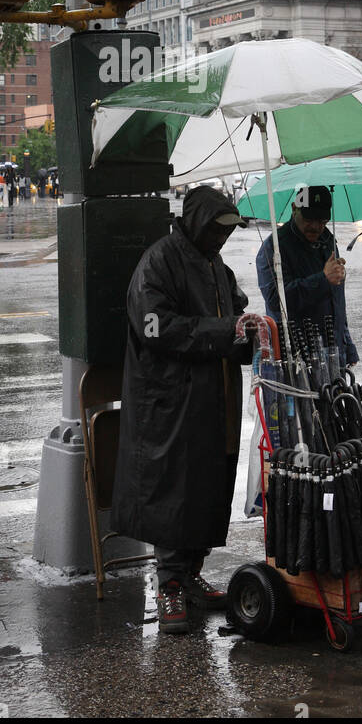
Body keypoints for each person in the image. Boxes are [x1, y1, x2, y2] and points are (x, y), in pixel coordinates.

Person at [111, 186, 261, 635]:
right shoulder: (159, 262)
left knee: (208, 484)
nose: (222, 239)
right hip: (170, 400)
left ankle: (190, 573)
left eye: (227, 232)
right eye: (216, 229)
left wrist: (246, 325)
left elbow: (233, 309)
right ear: (197, 222)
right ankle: (170, 584)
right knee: (174, 490)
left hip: (213, 395)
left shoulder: (215, 263)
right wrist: (224, 329)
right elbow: (156, 326)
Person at [256, 186, 359, 372]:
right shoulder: (274, 248)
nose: (316, 226)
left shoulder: (328, 240)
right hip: (297, 357)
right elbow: (275, 299)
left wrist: (347, 344)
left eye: (322, 221)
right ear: (295, 208)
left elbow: (336, 301)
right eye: (309, 219)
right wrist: (323, 279)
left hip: (334, 352)